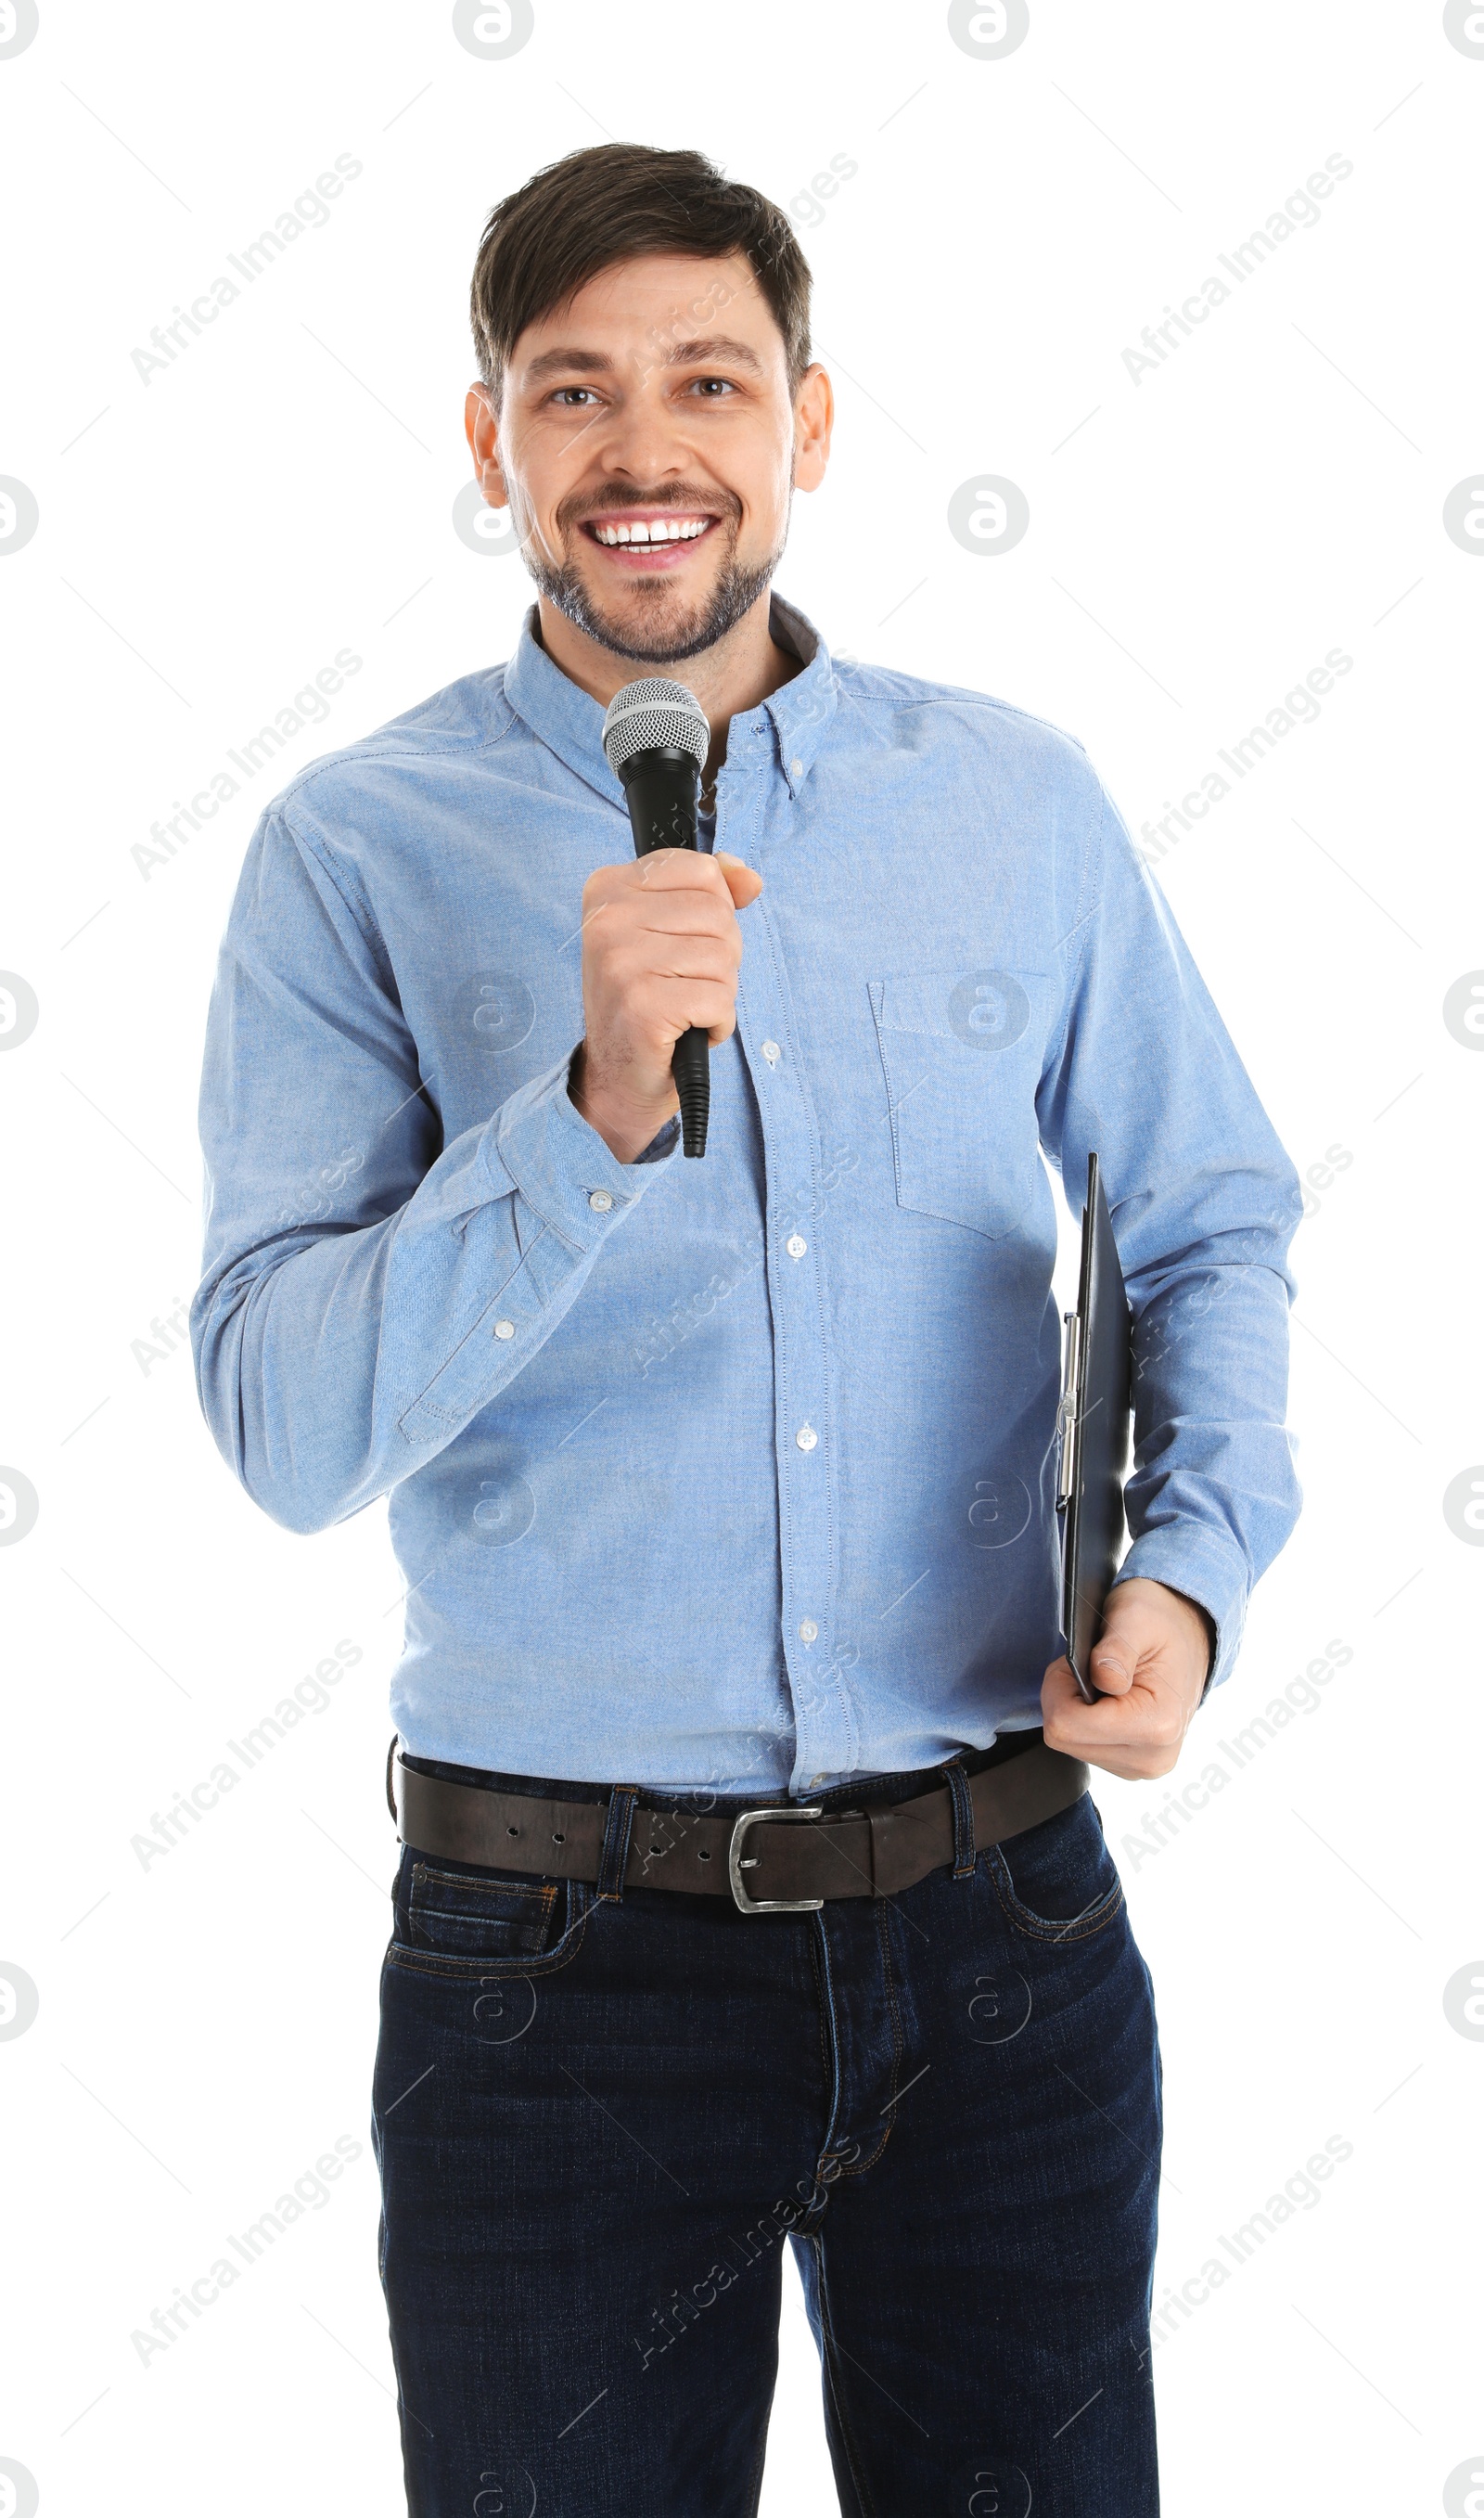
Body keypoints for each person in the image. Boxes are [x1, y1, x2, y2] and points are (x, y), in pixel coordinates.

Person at [190, 142, 1302, 2518]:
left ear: (810, 417)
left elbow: (1207, 1218)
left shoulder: (1008, 801)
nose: (644, 446)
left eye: (707, 377)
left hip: (998, 1924)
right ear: (491, 445)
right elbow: (281, 1424)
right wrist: (585, 1113)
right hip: (551, 1972)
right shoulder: (350, 850)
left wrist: (1185, 1579)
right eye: (570, 390)